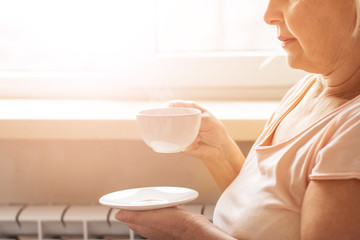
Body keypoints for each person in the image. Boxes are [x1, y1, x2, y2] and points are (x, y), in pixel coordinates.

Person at [115, 0, 360, 239]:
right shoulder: (309, 86)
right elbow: (264, 215)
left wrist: (189, 233)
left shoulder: (354, 131)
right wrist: (219, 152)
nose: (268, 14)